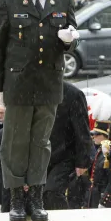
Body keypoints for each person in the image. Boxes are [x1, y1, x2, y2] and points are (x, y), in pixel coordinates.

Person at [0, 0, 78, 221]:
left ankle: (36, 196)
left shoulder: (62, 0)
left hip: (49, 84)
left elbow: (72, 36)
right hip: (18, 85)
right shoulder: (8, 2)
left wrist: (68, 40)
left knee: (41, 143)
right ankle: (17, 197)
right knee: (15, 143)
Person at [43, 82, 93, 210]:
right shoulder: (37, 91)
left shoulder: (73, 94)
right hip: (42, 154)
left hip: (66, 154)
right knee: (39, 195)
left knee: (53, 192)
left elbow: (82, 131)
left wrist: (82, 162)